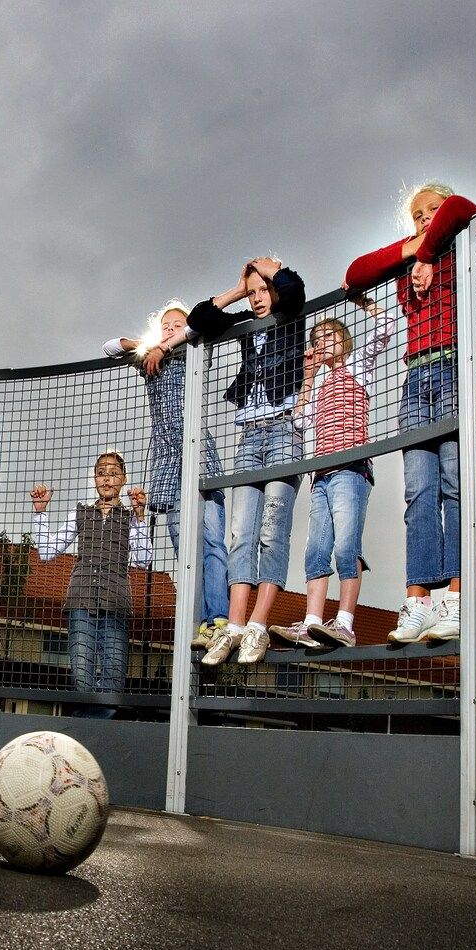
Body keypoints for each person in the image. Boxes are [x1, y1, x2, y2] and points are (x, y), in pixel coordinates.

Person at [345, 182, 476, 646]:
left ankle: (457, 596)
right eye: (418, 213)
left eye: (432, 210)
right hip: (415, 381)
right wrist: (415, 250)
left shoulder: (458, 243)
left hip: (453, 366)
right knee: (418, 490)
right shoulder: (411, 254)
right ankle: (419, 597)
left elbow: (463, 207)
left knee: (453, 481)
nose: (427, 218)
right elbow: (355, 274)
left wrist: (429, 252)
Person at [183, 258, 308, 667]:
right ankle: (234, 624)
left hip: (285, 429)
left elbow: (293, 291)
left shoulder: (290, 314)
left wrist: (273, 271)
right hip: (249, 435)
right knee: (241, 531)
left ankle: (257, 623)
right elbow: (201, 319)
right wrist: (237, 289)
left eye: (262, 291)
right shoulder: (244, 318)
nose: (258, 299)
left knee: (272, 529)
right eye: (252, 293)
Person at [104, 302, 231, 651]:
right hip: (167, 465)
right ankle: (198, 622)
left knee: (211, 543)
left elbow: (203, 323)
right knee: (184, 549)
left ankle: (218, 617)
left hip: (200, 458)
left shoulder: (194, 349)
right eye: (167, 325)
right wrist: (147, 346)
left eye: (179, 323)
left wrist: (172, 341)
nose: (173, 328)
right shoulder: (150, 361)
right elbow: (110, 347)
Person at [274, 305, 395, 651]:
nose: (322, 342)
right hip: (322, 475)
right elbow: (300, 422)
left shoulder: (358, 368)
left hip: (350, 469)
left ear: (345, 340)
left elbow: (385, 326)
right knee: (315, 549)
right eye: (316, 338)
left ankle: (345, 623)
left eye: (329, 336)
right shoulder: (320, 382)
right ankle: (312, 622)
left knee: (346, 545)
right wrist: (308, 378)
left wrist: (364, 302)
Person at [29, 452, 153, 717]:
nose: (106, 478)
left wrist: (141, 516)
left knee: (113, 680)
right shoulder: (80, 512)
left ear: (124, 478)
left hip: (115, 603)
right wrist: (40, 513)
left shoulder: (130, 517)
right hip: (82, 601)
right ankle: (91, 730)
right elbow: (47, 551)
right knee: (82, 677)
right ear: (95, 479)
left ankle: (88, 730)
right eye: (101, 472)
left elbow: (143, 559)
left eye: (113, 473)